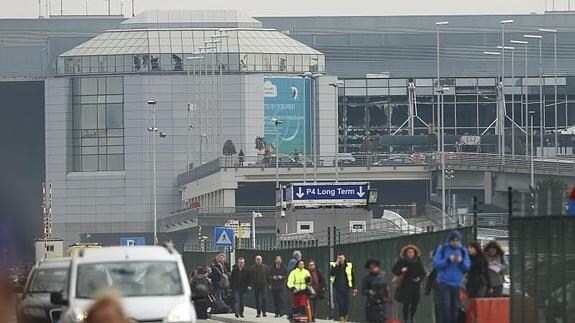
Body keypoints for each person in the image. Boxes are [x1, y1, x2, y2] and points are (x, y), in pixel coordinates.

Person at [433, 230, 470, 323]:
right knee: (445, 305)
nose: (455, 243)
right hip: (444, 282)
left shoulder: (462, 250)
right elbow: (436, 264)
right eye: (453, 241)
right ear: (449, 240)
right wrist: (448, 260)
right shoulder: (442, 249)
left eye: (457, 241)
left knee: (455, 306)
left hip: (457, 283)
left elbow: (467, 266)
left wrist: (461, 261)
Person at [391, 244, 426, 323]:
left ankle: (412, 318)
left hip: (416, 286)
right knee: (406, 303)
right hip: (405, 285)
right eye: (409, 252)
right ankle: (406, 319)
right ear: (406, 253)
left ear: (415, 253)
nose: (410, 254)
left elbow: (423, 273)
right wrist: (401, 270)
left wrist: (419, 279)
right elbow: (394, 270)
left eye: (412, 252)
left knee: (415, 303)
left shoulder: (418, 261)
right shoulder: (402, 261)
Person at [329, 253, 358, 323]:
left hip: (346, 287)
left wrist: (354, 287)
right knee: (340, 303)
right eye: (339, 258)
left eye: (341, 258)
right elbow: (331, 273)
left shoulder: (349, 265)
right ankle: (341, 317)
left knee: (346, 303)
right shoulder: (334, 265)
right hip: (338, 287)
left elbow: (353, 276)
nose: (340, 260)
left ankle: (345, 316)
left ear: (344, 258)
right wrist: (336, 265)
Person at [362, 259, 391, 323]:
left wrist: (388, 297)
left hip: (382, 302)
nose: (374, 269)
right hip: (372, 303)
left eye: (375, 267)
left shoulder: (383, 276)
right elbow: (363, 291)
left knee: (383, 319)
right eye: (371, 268)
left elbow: (386, 287)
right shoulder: (367, 278)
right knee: (373, 319)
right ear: (369, 269)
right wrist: (370, 291)